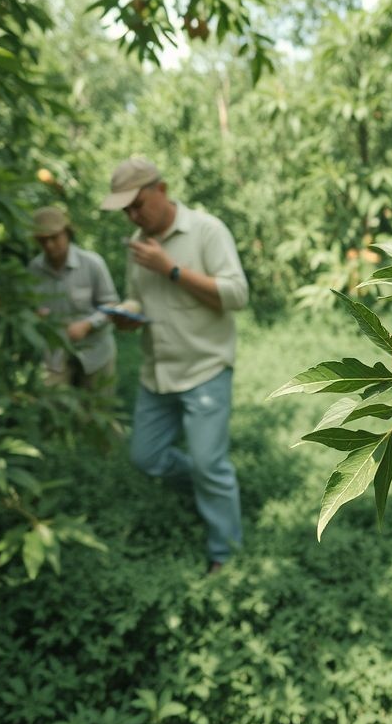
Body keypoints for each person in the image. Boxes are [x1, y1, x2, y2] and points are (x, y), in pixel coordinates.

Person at [100, 157, 249, 574]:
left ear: (161, 190)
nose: (133, 215)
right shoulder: (137, 244)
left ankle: (225, 552)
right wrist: (124, 314)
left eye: (138, 204)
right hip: (157, 372)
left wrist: (172, 270)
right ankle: (212, 485)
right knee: (145, 457)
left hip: (205, 370)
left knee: (208, 464)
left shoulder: (206, 230)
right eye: (126, 210)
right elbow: (137, 298)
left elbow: (237, 295)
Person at [27, 205, 120, 392]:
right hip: (56, 356)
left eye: (54, 238)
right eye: (43, 240)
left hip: (96, 353)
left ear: (67, 233)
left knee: (97, 410)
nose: (49, 245)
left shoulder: (92, 264)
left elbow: (111, 305)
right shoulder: (34, 269)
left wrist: (87, 325)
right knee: (55, 409)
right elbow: (31, 305)